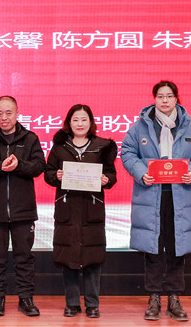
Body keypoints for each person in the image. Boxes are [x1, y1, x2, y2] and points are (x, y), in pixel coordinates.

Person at [120, 80, 191, 322]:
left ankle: (174, 298)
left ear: (176, 99)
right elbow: (127, 152)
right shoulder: (140, 126)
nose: (165, 100)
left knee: (177, 247)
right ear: (154, 99)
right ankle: (154, 297)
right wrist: (141, 173)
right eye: (160, 96)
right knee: (154, 248)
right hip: (151, 195)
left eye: (169, 96)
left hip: (180, 196)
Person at [0, 95, 45, 317]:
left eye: (8, 112)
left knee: (25, 257)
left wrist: (18, 165)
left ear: (17, 113)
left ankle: (26, 299)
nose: (4, 117)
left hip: (24, 211)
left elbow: (39, 166)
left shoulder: (30, 138)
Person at [44, 104, 118, 319]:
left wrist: (106, 179)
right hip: (67, 208)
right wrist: (56, 176)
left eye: (84, 119)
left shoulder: (103, 146)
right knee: (68, 257)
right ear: (69, 122)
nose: (79, 123)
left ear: (91, 123)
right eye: (75, 119)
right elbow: (48, 173)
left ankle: (93, 304)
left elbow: (112, 175)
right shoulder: (59, 147)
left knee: (93, 257)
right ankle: (72, 303)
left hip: (91, 209)